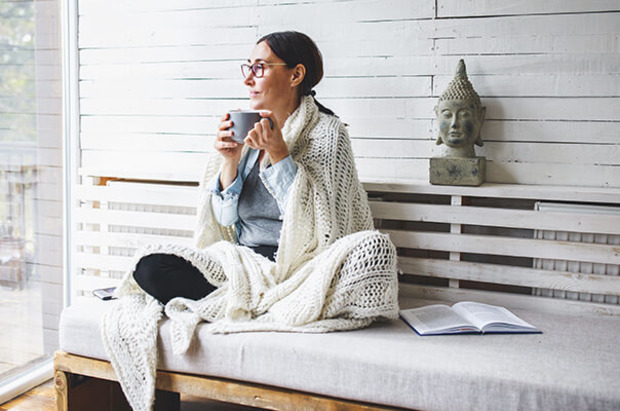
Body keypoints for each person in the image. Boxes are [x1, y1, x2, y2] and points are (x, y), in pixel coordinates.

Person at [102, 31, 399, 411]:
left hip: (305, 269)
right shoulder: (244, 131)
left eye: (259, 68)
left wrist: (279, 153)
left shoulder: (328, 133)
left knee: (375, 249)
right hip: (243, 265)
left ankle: (257, 305)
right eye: (248, 68)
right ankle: (258, 305)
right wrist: (229, 160)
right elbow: (224, 224)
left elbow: (329, 224)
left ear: (295, 75)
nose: (247, 79)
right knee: (149, 266)